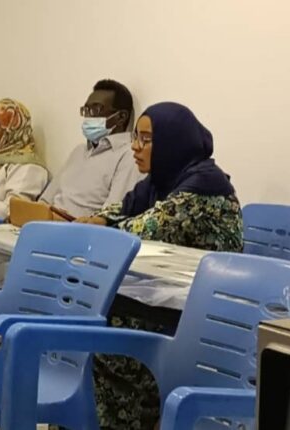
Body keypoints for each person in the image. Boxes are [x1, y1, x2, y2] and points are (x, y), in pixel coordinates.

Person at [78, 102, 243, 429]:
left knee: (100, 338)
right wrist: (99, 218)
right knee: (89, 318)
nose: (136, 147)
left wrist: (99, 227)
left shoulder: (203, 188)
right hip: (169, 299)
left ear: (172, 141)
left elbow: (144, 229)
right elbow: (124, 209)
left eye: (146, 139)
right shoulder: (161, 180)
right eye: (135, 137)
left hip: (203, 317)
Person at [38, 79, 144, 218]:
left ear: (121, 117)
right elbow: (45, 200)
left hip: (80, 228)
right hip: (47, 222)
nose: (88, 116)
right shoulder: (79, 151)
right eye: (86, 110)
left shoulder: (129, 155)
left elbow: (111, 215)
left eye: (96, 109)